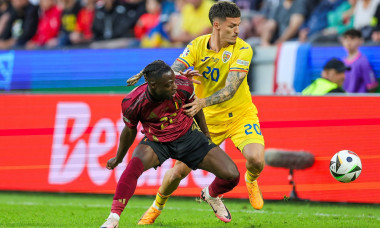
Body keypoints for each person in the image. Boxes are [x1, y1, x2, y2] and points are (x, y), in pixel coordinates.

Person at [138, 1, 265, 225]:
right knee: (177, 173)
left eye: (238, 25)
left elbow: (230, 89)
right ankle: (157, 206)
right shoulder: (196, 46)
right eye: (231, 26)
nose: (237, 30)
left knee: (256, 160)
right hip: (207, 121)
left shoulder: (243, 49)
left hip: (239, 114)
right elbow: (173, 70)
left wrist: (202, 101)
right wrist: (179, 77)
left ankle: (246, 182)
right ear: (216, 25)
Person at [100, 60, 240, 228]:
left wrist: (206, 136)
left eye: (174, 81)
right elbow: (129, 131)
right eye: (168, 84)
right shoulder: (133, 102)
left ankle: (210, 194)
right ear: (153, 85)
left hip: (189, 137)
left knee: (232, 175)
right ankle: (113, 219)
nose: (174, 86)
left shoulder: (183, 85)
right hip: (157, 141)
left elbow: (196, 108)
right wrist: (118, 158)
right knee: (132, 168)